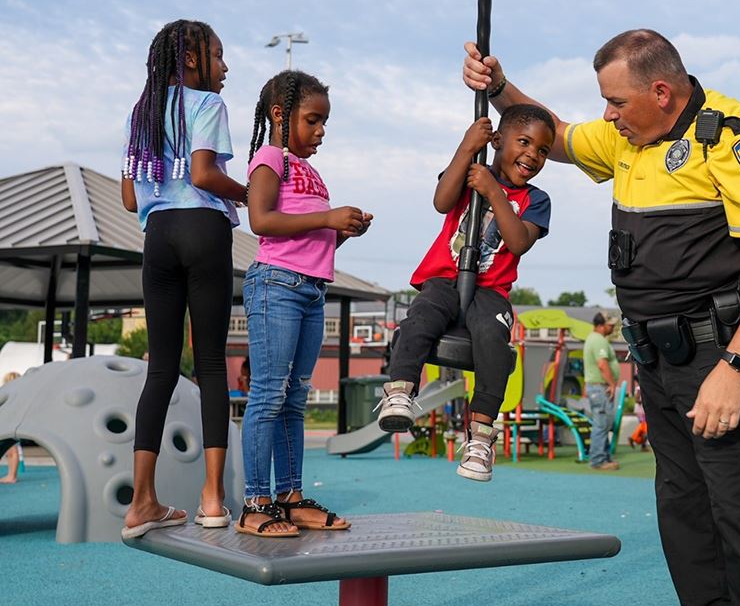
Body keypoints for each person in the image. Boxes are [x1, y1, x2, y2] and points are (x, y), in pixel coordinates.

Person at [464, 29, 740, 604]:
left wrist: (734, 367)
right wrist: (499, 88)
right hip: (657, 362)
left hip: (717, 361)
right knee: (684, 520)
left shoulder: (732, 137)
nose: (608, 114)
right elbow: (561, 136)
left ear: (661, 92)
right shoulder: (626, 135)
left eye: (616, 102)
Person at [376, 105, 555, 483]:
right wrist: (465, 147)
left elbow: (518, 242)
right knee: (419, 319)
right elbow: (442, 201)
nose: (533, 155)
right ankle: (400, 392)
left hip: (490, 290)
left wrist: (495, 192)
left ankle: (480, 436)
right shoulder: (473, 171)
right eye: (524, 142)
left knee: (493, 338)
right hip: (443, 278)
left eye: (542, 150)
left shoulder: (536, 200)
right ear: (496, 141)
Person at [120, 20, 245, 539]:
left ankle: (142, 501)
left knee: (161, 370)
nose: (225, 66)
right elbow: (202, 174)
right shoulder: (207, 105)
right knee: (213, 364)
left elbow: (130, 199)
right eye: (218, 56)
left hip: (158, 235)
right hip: (202, 226)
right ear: (191, 60)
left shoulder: (142, 113)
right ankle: (212, 498)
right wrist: (249, 194)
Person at [237, 70, 372, 537]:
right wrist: (328, 216)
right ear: (280, 114)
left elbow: (315, 244)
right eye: (312, 120)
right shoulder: (270, 158)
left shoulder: (311, 172)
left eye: (324, 124)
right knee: (269, 395)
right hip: (276, 286)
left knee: (295, 398)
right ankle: (255, 503)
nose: (320, 132)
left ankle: (290, 499)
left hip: (312, 290)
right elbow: (261, 220)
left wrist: (341, 231)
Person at [583, 312, 621, 470]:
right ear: (600, 325)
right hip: (600, 388)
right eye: (610, 324)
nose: (612, 327)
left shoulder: (593, 339)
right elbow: (602, 364)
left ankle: (603, 457)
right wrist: (612, 384)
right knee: (601, 424)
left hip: (596, 387)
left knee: (602, 423)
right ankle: (598, 460)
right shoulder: (599, 341)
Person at [0, 372, 22, 484]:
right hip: (14, 425)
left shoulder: (8, 394)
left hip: (10, 425)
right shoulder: (21, 395)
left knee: (11, 451)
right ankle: (11, 475)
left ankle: (11, 476)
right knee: (11, 450)